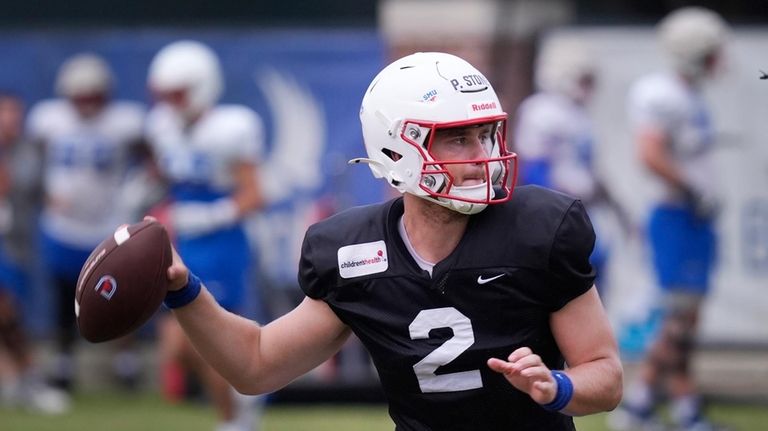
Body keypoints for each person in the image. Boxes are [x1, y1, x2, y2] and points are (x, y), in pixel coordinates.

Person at [155, 51, 623, 430]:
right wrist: (183, 291)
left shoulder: (538, 228)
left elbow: (605, 375)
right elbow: (255, 365)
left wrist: (556, 386)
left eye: (487, 135)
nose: (485, 158)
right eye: (458, 140)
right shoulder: (352, 251)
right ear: (396, 148)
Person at [608, 7, 729, 431]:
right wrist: (695, 191)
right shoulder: (662, 93)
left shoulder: (687, 94)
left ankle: (685, 409)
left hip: (690, 218)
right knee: (677, 319)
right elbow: (651, 154)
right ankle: (637, 407)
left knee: (687, 320)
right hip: (677, 216)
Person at [145, 40, 266, 431]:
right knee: (176, 349)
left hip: (221, 245)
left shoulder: (232, 127)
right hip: (181, 243)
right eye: (165, 95)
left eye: (177, 93)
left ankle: (233, 418)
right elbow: (168, 178)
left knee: (209, 339)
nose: (170, 103)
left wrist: (206, 215)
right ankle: (238, 405)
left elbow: (253, 195)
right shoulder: (162, 126)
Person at [26, 53, 149, 392]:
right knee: (65, 294)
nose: (87, 104)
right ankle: (64, 363)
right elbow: (30, 162)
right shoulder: (48, 120)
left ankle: (127, 363)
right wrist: (43, 191)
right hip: (62, 225)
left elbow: (151, 159)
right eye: (80, 97)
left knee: (121, 294)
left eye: (93, 96)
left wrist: (137, 189)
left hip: (108, 224)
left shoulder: (125, 122)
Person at [514, 37, 626, 298]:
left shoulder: (579, 115)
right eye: (584, 79)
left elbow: (590, 170)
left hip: (585, 210)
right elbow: (535, 170)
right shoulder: (541, 111)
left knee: (596, 277)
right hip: (561, 211)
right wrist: (550, 216)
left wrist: (617, 209)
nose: (589, 87)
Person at [0, 92, 70, 414]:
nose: (11, 119)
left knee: (10, 315)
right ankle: (27, 377)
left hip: (17, 246)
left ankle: (19, 380)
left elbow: (41, 191)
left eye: (16, 112)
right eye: (5, 112)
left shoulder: (28, 153)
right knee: (5, 310)